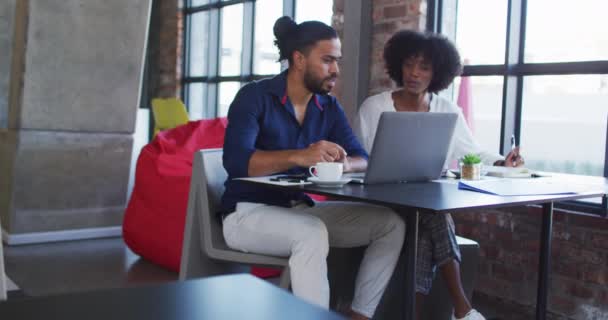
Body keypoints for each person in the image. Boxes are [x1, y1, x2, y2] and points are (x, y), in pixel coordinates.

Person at [220, 16, 405, 320]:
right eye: (328, 60)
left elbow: (363, 158)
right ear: (299, 59)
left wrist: (342, 163)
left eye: (337, 60)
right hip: (246, 213)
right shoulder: (254, 97)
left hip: (300, 211)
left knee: (391, 224)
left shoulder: (328, 106)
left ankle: (360, 314)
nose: (335, 69)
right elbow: (237, 162)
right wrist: (300, 156)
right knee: (312, 233)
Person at [355, 30, 524, 320]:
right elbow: (357, 160)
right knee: (435, 215)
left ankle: (418, 314)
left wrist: (503, 162)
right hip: (381, 200)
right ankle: (463, 308)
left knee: (429, 220)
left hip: (423, 204)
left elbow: (474, 152)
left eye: (424, 67)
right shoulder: (375, 107)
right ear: (399, 65)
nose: (414, 73)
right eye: (409, 64)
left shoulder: (448, 110)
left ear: (437, 73)